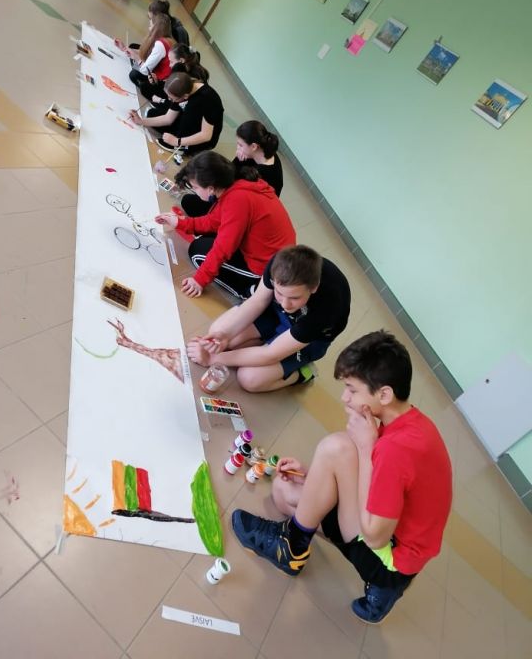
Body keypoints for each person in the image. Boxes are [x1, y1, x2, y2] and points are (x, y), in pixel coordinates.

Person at [231, 331, 453, 624]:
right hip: (401, 539)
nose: (344, 397)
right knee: (285, 494)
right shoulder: (410, 422)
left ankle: (290, 548)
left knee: (337, 447)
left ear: (384, 394)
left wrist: (365, 448)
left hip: (387, 558)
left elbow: (374, 536)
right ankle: (380, 592)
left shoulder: (394, 450)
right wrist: (316, 477)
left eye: (352, 389)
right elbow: (384, 484)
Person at [187, 245, 350, 391]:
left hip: (312, 338)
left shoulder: (328, 306)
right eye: (279, 292)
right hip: (275, 313)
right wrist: (225, 334)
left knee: (249, 378)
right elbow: (258, 301)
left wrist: (212, 359)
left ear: (313, 288)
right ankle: (266, 339)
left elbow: (271, 354)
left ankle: (302, 374)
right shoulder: (279, 264)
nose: (285, 303)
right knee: (219, 332)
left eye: (294, 298)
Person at [154, 152, 295, 300]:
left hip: (269, 269)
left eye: (195, 187)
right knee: (205, 241)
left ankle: (252, 291)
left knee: (197, 252)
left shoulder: (237, 200)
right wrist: (180, 222)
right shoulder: (236, 185)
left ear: (210, 188)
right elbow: (214, 221)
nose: (194, 190)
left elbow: (224, 247)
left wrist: (199, 280)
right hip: (274, 254)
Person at [181, 120, 283, 217]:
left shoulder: (264, 175)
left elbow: (230, 186)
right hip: (238, 195)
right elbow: (230, 171)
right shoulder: (264, 152)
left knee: (189, 202)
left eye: (240, 145)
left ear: (254, 146)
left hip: (242, 209)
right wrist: (239, 160)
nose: (238, 148)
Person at [130, 72, 224, 156]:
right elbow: (168, 118)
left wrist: (177, 141)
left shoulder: (208, 99)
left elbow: (206, 135)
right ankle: (178, 136)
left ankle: (183, 147)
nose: (169, 100)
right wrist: (141, 121)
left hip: (204, 138)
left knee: (190, 110)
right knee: (151, 114)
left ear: (185, 96)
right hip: (190, 121)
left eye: (172, 98)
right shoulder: (184, 87)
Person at [127, 14, 174, 99]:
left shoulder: (160, 44)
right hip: (162, 74)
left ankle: (153, 95)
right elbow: (147, 55)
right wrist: (126, 49)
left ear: (156, 29)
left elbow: (145, 70)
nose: (149, 28)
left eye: (150, 25)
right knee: (133, 49)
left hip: (162, 82)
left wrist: (136, 57)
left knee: (133, 74)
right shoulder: (168, 39)